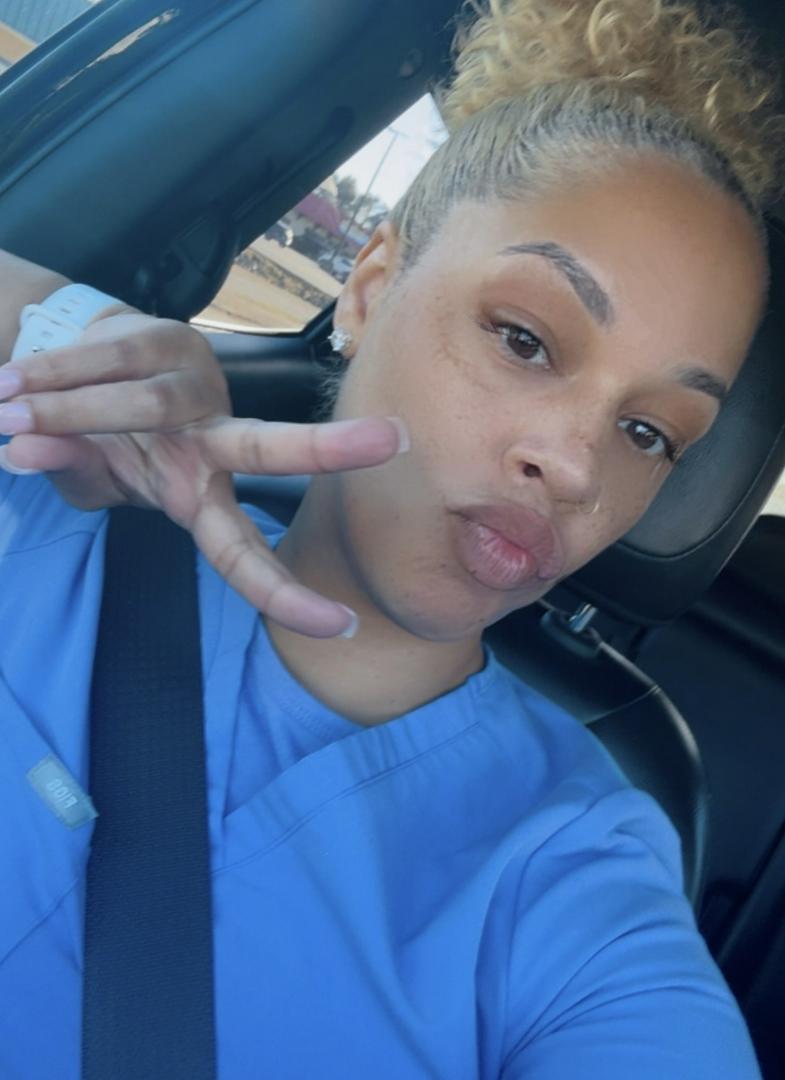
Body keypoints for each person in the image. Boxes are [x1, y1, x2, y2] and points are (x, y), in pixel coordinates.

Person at [0, 0, 781, 1075]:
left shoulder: (576, 872)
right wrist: (49, 328)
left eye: (647, 433)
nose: (575, 466)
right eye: (523, 338)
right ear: (368, 290)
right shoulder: (50, 509)